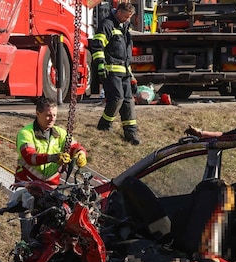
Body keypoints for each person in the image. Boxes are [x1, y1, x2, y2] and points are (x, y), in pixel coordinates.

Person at [90, 2, 141, 145]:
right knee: (117, 99)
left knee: (128, 101)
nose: (126, 19)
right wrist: (100, 64)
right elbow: (97, 45)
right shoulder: (107, 24)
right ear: (118, 11)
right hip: (110, 70)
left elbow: (125, 56)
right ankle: (104, 125)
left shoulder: (125, 27)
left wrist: (131, 76)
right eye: (125, 16)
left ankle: (131, 133)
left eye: (129, 17)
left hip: (123, 71)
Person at [15, 97, 87, 187]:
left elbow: (75, 147)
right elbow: (30, 157)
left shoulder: (60, 133)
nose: (52, 119)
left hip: (51, 187)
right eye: (48, 115)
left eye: (54, 115)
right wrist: (53, 158)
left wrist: (80, 154)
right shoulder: (26, 133)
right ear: (37, 114)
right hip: (27, 184)